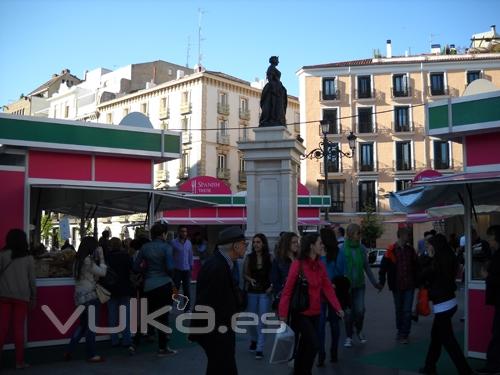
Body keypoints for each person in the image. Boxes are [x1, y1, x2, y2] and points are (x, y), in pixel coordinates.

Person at [278, 233, 344, 375]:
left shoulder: (320, 265)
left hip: (316, 312)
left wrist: (338, 307)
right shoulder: (298, 264)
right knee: (314, 344)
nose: (322, 245)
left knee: (306, 345)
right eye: (320, 243)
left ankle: (299, 371)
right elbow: (287, 291)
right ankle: (305, 371)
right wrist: (282, 314)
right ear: (312, 246)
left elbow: (327, 287)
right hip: (300, 313)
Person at [190, 226, 248, 375]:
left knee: (219, 367)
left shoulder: (223, 263)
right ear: (235, 245)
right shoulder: (217, 266)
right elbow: (208, 302)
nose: (246, 247)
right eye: (244, 243)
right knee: (223, 367)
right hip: (216, 331)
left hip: (219, 329)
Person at [418, 233, 473, 375]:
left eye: (429, 245)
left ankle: (465, 371)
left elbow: (421, 275)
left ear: (435, 246)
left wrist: (428, 257)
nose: (427, 247)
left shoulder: (436, 262)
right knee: (436, 337)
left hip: (442, 305)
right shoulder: (448, 258)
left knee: (449, 342)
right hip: (450, 302)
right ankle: (429, 367)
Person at [133, 222, 177, 357]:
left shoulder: (145, 247)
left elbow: (135, 267)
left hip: (148, 285)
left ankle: (134, 344)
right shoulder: (166, 247)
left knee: (146, 316)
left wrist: (145, 270)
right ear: (163, 234)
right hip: (163, 284)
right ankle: (162, 348)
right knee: (163, 316)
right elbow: (170, 268)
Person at [65, 236, 107, 363]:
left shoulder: (76, 261)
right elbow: (102, 272)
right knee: (91, 327)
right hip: (90, 296)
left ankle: (70, 349)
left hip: (79, 297)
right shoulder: (88, 261)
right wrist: (102, 257)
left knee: (83, 326)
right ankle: (91, 354)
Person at [341, 223, 382, 347]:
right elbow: (340, 267)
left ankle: (359, 331)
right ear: (350, 234)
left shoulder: (362, 249)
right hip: (346, 286)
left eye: (360, 233)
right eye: (357, 233)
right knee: (348, 313)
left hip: (359, 285)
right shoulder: (342, 249)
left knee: (360, 310)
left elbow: (367, 268)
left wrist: (375, 283)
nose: (359, 236)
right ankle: (348, 336)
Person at [0, 229, 36, 369]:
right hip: (22, 297)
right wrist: (34, 297)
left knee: (1, 329)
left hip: (4, 296)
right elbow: (32, 280)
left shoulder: (2, 255)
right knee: (19, 330)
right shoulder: (28, 258)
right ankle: (19, 362)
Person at [379, 227, 418, 344]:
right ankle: (400, 330)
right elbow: (383, 268)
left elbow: (416, 266)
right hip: (397, 285)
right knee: (399, 310)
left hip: (409, 285)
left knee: (406, 310)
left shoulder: (410, 250)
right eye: (407, 235)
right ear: (401, 235)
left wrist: (420, 281)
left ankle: (405, 333)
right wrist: (381, 282)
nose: (409, 237)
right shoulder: (391, 250)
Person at [317, 227, 345, 366]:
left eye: (320, 237)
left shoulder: (338, 253)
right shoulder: (316, 254)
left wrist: (332, 283)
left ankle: (333, 350)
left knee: (334, 323)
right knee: (320, 324)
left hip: (333, 292)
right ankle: (321, 353)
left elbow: (341, 272)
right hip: (319, 293)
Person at [243, 233, 272, 359]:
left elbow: (274, 274)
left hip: (265, 292)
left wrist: (271, 287)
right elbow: (244, 273)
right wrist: (250, 279)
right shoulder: (249, 257)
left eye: (258, 242)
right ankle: (254, 340)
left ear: (263, 243)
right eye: (254, 242)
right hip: (252, 292)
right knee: (252, 320)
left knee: (262, 321)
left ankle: (260, 348)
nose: (256, 244)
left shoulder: (270, 257)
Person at [477, 225, 500, 374]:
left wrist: (487, 276)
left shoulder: (499, 255)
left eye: (490, 237)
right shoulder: (495, 254)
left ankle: (493, 366)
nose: (488, 240)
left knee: (497, 334)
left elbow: (497, 278)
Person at [106, 237, 134, 354]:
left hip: (111, 289)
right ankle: (126, 340)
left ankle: (114, 340)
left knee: (112, 316)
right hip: (125, 288)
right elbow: (132, 270)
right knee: (125, 316)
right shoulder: (126, 256)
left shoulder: (107, 257)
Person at [259, 56, 287, 127]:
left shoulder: (273, 68)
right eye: (277, 60)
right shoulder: (271, 68)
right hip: (273, 88)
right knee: (273, 104)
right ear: (274, 60)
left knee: (278, 104)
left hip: (277, 87)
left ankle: (276, 119)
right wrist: (274, 88)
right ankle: (273, 119)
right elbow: (270, 78)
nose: (278, 61)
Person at [171, 225, 193, 311]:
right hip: (176, 270)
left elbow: (190, 256)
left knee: (187, 289)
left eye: (185, 231)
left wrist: (191, 267)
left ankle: (187, 308)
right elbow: (171, 256)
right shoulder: (173, 242)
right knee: (175, 289)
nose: (184, 233)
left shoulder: (189, 243)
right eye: (182, 231)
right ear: (179, 232)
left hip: (186, 270)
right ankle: (170, 306)